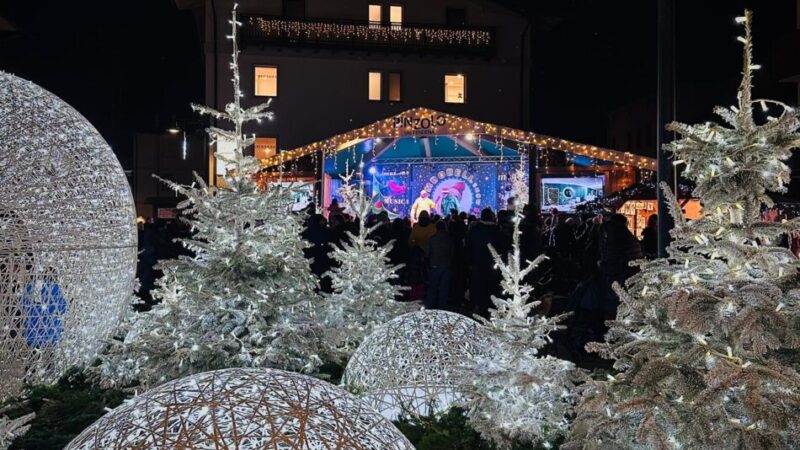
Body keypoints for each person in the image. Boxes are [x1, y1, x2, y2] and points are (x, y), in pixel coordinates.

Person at [465, 208, 503, 318]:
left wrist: (470, 263)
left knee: (480, 288)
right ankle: (493, 311)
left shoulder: (475, 230)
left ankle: (481, 311)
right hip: (494, 264)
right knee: (493, 288)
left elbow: (469, 247)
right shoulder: (497, 230)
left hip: (478, 264)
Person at [426, 221, 453, 309]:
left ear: (436, 228)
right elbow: (452, 253)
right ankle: (442, 308)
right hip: (446, 265)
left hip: (434, 265)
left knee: (433, 287)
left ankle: (429, 307)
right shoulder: (449, 238)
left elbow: (427, 253)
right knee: (444, 288)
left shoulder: (432, 239)